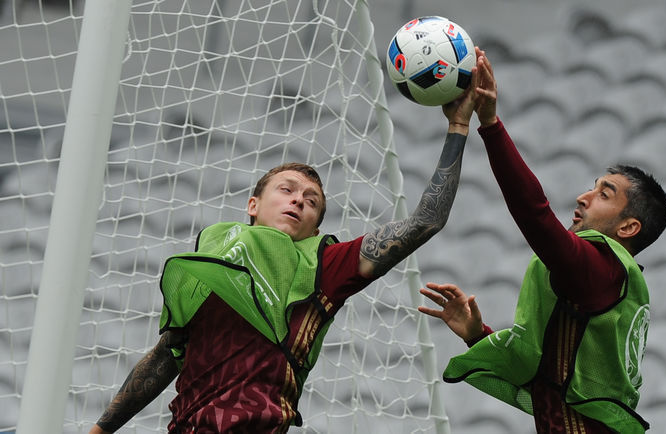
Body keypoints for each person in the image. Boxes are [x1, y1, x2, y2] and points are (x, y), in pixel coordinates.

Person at [88, 66, 481, 433]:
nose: (298, 200)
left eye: (311, 201)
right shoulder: (213, 257)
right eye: (287, 190)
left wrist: (459, 126)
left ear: (316, 227)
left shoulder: (326, 264)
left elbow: (426, 221)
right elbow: (166, 355)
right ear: (253, 205)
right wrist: (100, 429)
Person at [418, 48, 666, 433]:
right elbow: (552, 380)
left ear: (628, 228)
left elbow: (534, 214)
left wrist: (490, 124)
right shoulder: (608, 284)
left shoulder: (600, 269)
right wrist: (477, 335)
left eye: (604, 194)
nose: (583, 197)